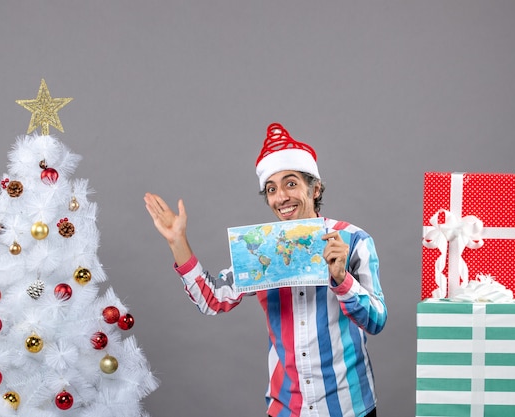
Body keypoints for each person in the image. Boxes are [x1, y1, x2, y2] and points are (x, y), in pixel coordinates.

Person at [144, 123, 387, 417]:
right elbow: (212, 300)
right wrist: (177, 241)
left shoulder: (354, 240)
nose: (280, 197)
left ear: (316, 187)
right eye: (271, 189)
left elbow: (375, 321)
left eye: (291, 183)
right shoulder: (261, 249)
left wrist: (341, 279)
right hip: (285, 408)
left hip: (350, 408)